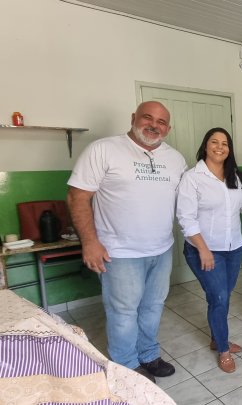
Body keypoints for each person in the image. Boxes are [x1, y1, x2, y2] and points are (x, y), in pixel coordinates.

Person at [67, 101, 186, 382]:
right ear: (134, 118)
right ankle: (126, 366)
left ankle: (148, 354)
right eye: (148, 118)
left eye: (161, 122)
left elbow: (188, 201)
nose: (154, 125)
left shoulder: (176, 159)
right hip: (119, 252)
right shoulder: (103, 149)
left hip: (162, 249)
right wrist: (90, 242)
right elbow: (77, 197)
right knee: (123, 312)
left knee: (153, 307)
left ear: (168, 129)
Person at [176, 127, 242, 374]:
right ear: (205, 146)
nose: (220, 147)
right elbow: (186, 218)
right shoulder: (192, 178)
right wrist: (203, 249)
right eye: (214, 142)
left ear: (230, 149)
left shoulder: (236, 177)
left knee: (223, 296)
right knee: (219, 297)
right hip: (204, 250)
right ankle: (224, 350)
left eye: (225, 143)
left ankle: (217, 339)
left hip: (233, 248)